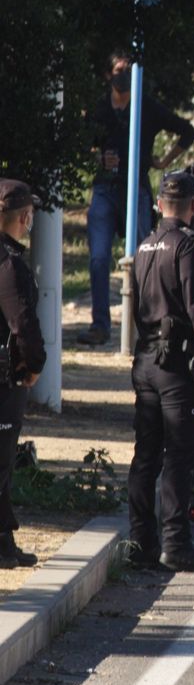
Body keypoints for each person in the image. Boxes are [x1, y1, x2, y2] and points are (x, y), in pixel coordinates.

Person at [127, 172, 194, 574]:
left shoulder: (144, 246)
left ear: (158, 205)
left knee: (146, 457)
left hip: (147, 359)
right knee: (179, 458)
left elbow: (138, 307)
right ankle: (175, 543)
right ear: (193, 206)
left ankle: (141, 541)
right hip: (178, 367)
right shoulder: (187, 245)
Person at [79, 50, 194, 347]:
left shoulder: (146, 107)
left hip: (137, 190)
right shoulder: (99, 109)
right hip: (105, 189)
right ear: (108, 75)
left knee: (148, 256)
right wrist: (97, 160)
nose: (124, 76)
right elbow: (83, 144)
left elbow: (187, 130)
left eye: (129, 70)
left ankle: (147, 324)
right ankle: (100, 325)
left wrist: (162, 162)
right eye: (119, 70)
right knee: (99, 258)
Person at [0, 181, 47, 569]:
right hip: (5, 380)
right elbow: (23, 325)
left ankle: (4, 541)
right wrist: (34, 366)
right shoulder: (9, 264)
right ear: (23, 217)